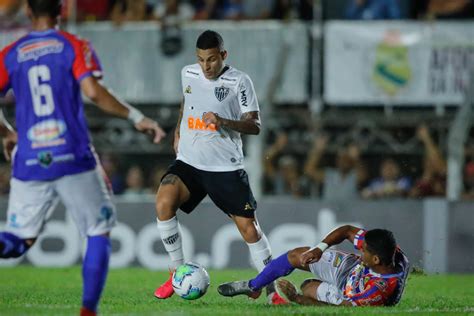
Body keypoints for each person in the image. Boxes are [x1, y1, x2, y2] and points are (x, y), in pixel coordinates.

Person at [0, 1, 166, 315]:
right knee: (97, 231)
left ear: (27, 11)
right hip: (71, 153)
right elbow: (93, 91)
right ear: (61, 10)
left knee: (18, 241)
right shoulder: (73, 46)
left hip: (30, 156)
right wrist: (137, 117)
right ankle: (88, 310)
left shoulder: (11, 53)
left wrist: (7, 132)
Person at [153, 30, 286, 305]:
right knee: (164, 201)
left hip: (224, 167)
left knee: (250, 230)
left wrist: (224, 121)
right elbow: (186, 102)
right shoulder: (187, 73)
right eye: (201, 60)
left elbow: (255, 125)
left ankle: (272, 292)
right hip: (189, 161)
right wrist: (178, 130)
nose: (206, 66)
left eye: (212, 59)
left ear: (223, 55)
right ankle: (176, 270)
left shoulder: (239, 81)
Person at [218, 225, 409, 307]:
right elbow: (347, 230)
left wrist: (296, 298)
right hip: (351, 269)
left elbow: (343, 310)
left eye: (364, 251)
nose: (360, 251)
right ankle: (253, 286)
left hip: (347, 293)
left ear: (375, 260)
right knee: (298, 255)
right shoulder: (387, 250)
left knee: (307, 288)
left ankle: (310, 290)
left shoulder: (378, 291)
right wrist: (320, 248)